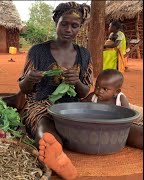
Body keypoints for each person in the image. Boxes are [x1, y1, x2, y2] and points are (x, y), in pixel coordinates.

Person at [18, 2, 92, 179]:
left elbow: (84, 92)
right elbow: (24, 88)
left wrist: (77, 83)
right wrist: (30, 79)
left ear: (80, 27)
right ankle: (55, 154)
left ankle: (56, 149)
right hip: (41, 105)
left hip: (72, 108)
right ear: (55, 21)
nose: (68, 29)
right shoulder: (38, 51)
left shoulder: (84, 54)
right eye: (64, 24)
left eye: (74, 26)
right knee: (44, 126)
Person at [82, 69, 143, 149]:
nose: (99, 91)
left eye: (105, 89)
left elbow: (128, 115)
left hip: (121, 124)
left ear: (116, 92)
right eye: (97, 86)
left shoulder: (120, 99)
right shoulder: (93, 97)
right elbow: (80, 105)